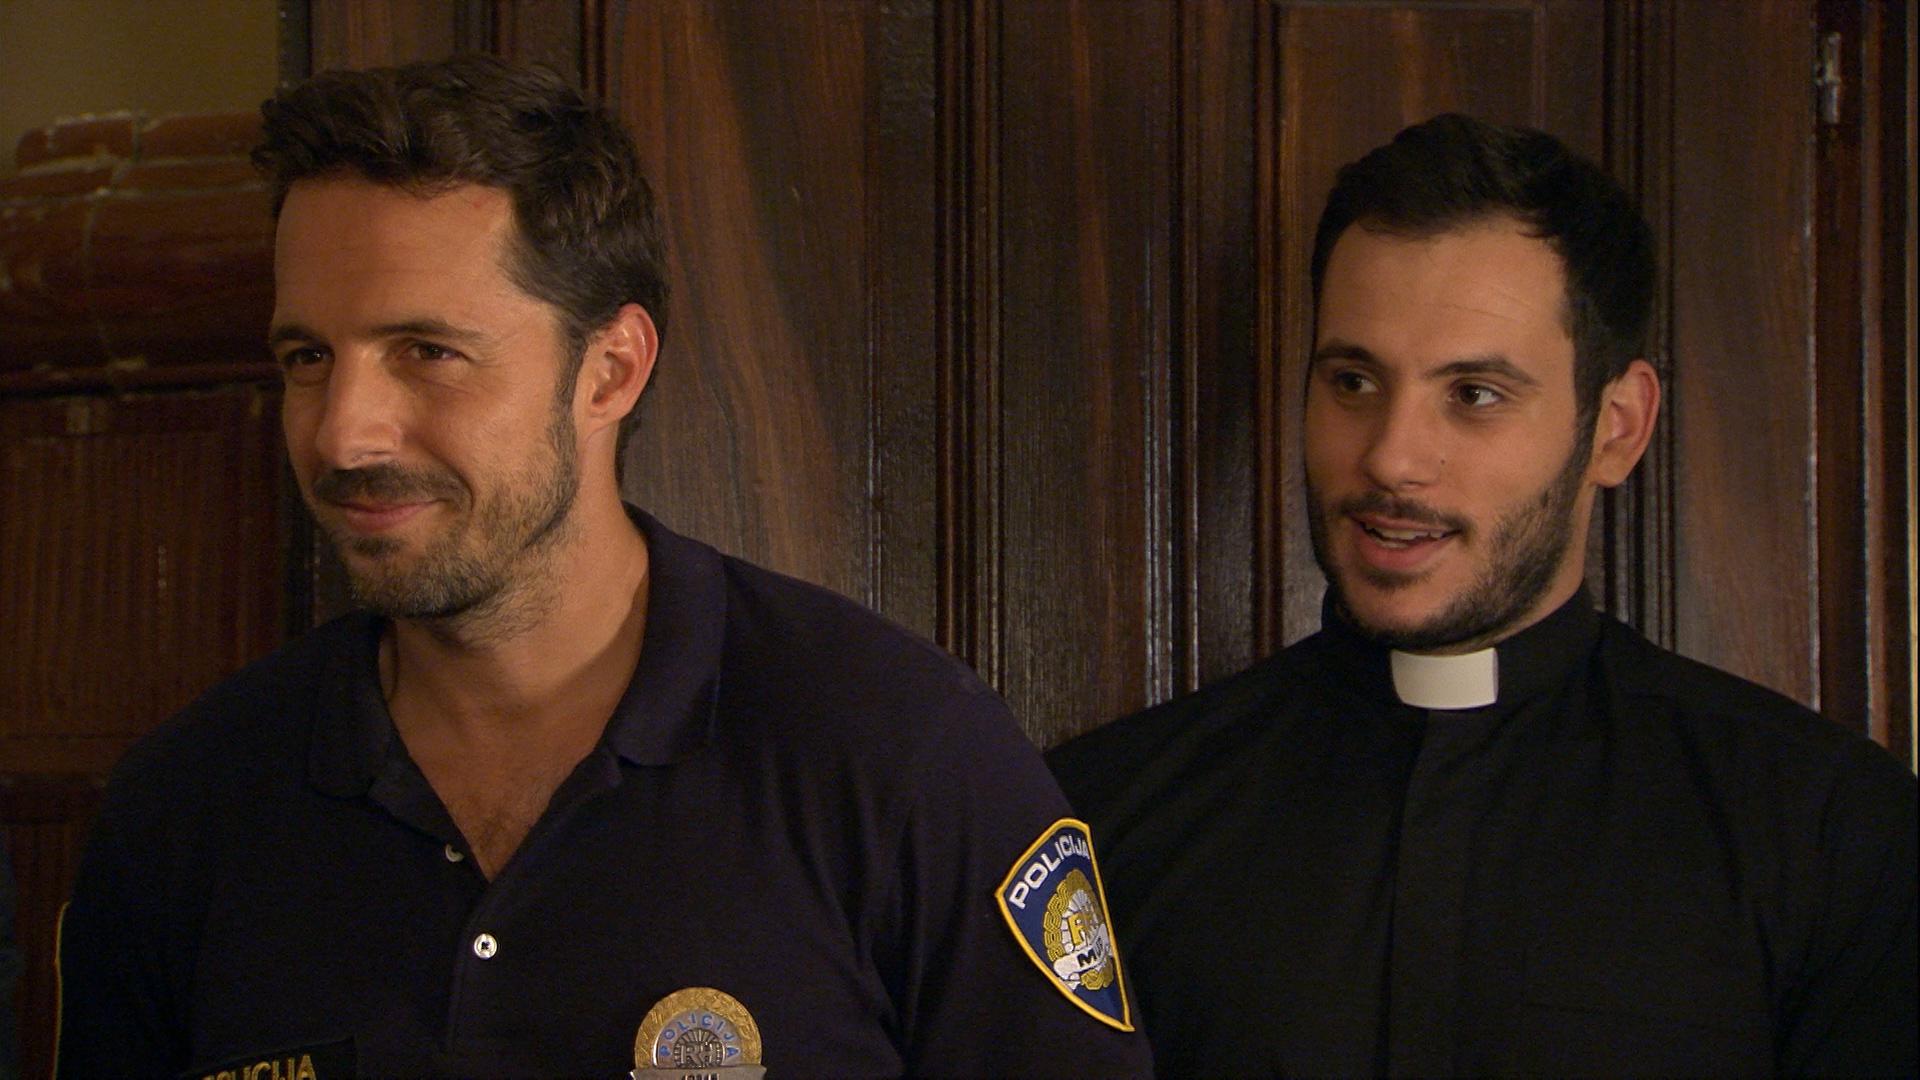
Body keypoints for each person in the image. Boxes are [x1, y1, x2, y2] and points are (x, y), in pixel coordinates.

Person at [58, 56, 1150, 1079]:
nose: (345, 434)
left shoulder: (900, 753)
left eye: (428, 353)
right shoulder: (185, 810)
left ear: (611, 371)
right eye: (308, 358)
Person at [1050, 113, 1917, 1076]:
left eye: (1474, 394)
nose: (1392, 458)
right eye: (1353, 381)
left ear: (1617, 428)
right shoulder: (1101, 821)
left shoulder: (1828, 831)